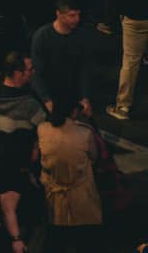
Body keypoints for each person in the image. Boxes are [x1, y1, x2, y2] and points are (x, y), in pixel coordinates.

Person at [30, 96, 100, 249]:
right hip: (81, 193)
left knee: (56, 239)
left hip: (53, 192)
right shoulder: (85, 133)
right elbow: (95, 156)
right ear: (75, 111)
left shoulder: (42, 129)